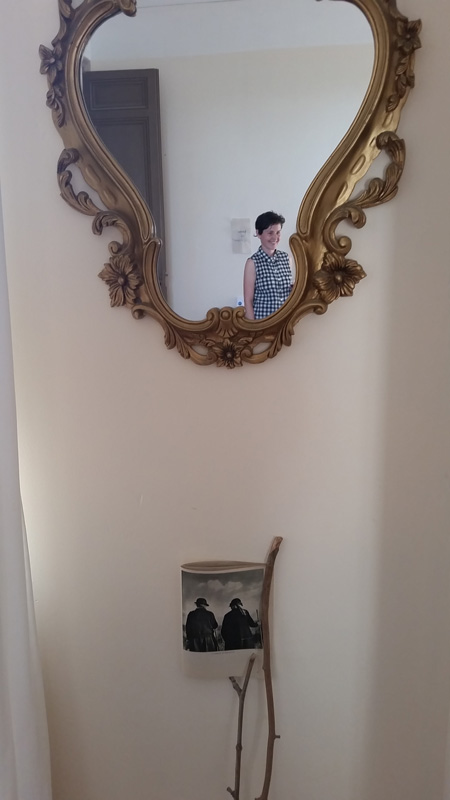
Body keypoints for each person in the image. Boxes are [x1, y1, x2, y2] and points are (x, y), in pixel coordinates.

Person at [243, 211, 293, 320]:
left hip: (285, 322)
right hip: (263, 324)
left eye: (278, 232)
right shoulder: (253, 263)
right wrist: (253, 327)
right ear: (259, 233)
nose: (275, 237)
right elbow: (248, 300)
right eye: (270, 233)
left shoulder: (286, 258)